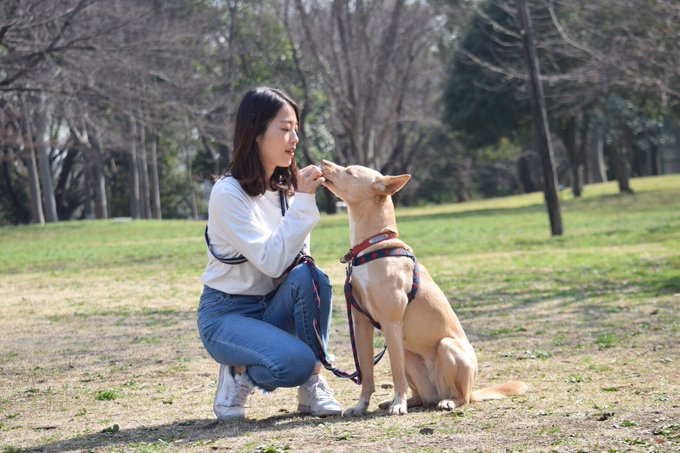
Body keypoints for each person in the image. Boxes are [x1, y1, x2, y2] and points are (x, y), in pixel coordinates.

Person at [197, 87, 343, 420]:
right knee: (294, 363)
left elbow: (298, 267)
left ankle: (312, 385)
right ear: (256, 132)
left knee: (314, 278)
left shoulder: (286, 191)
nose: (295, 139)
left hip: (274, 305)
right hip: (227, 314)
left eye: (296, 129)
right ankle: (237, 371)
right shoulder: (228, 193)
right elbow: (272, 262)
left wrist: (299, 199)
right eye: (285, 129)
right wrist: (304, 201)